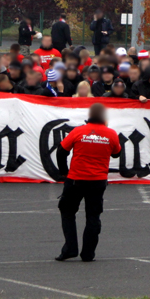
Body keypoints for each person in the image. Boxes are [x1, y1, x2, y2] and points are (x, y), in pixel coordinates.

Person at [56, 103, 121, 262]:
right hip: (98, 181)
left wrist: (64, 172)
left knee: (68, 211)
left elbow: (61, 151)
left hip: (76, 179)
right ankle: (88, 253)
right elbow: (116, 154)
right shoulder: (111, 134)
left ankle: (70, 248)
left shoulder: (78, 131)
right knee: (93, 216)